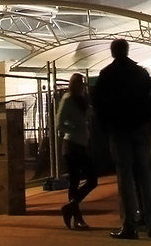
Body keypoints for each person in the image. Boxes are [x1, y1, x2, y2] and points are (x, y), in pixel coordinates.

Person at [91, 39, 151, 239]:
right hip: (140, 129)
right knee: (145, 174)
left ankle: (130, 225)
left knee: (125, 177)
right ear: (127, 50)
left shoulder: (107, 75)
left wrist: (107, 126)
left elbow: (98, 105)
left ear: (113, 53)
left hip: (119, 130)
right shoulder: (141, 72)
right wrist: (149, 119)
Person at [56, 72, 98, 229]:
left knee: (90, 180)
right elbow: (59, 123)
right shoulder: (68, 99)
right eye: (80, 83)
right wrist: (73, 128)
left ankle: (71, 208)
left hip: (81, 144)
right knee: (78, 180)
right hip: (71, 145)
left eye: (83, 83)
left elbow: (90, 113)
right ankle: (76, 217)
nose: (82, 86)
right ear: (74, 84)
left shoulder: (82, 100)